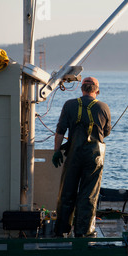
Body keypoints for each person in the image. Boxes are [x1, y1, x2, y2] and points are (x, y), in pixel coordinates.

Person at [52, 77, 111, 237]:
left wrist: (57, 151)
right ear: (97, 90)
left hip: (74, 155)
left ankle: (61, 231)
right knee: (89, 194)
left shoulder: (69, 105)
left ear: (82, 89)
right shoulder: (103, 107)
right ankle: (84, 232)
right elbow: (106, 133)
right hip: (95, 157)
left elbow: (60, 131)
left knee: (67, 192)